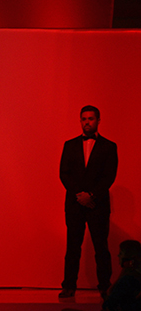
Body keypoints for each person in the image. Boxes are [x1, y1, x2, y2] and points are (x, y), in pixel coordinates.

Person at [58, 105, 118, 298]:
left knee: (101, 247)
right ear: (80, 120)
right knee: (72, 247)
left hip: (98, 205)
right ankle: (68, 286)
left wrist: (91, 195)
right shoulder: (70, 145)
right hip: (75, 204)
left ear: (98, 121)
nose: (87, 122)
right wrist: (80, 195)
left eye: (91, 118)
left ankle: (104, 286)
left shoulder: (109, 147)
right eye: (84, 118)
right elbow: (64, 174)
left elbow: (109, 176)